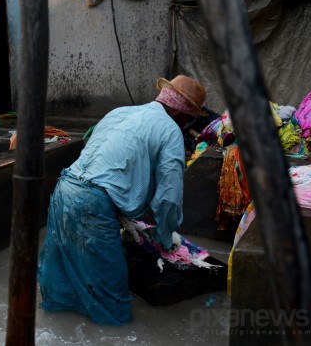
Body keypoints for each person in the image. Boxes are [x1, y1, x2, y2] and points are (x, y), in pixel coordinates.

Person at [37, 75, 206, 325]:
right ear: (184, 115)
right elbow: (169, 198)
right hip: (92, 206)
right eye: (188, 119)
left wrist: (120, 212)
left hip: (64, 191)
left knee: (61, 287)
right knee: (112, 307)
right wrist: (164, 233)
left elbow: (98, 156)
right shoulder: (171, 132)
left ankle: (57, 331)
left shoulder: (121, 112)